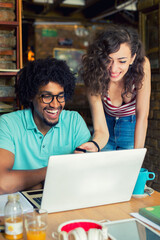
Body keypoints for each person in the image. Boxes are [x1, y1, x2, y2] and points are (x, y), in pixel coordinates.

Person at [0, 57, 91, 194]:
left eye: (60, 96)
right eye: (46, 96)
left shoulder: (74, 121)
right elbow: (2, 183)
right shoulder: (8, 124)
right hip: (21, 208)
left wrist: (32, 185)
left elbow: (88, 176)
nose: (55, 104)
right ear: (31, 96)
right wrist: (53, 170)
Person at [77, 24, 151, 152]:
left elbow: (142, 116)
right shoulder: (93, 72)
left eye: (122, 61)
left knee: (128, 169)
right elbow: (100, 130)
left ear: (132, 58)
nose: (113, 68)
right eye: (108, 60)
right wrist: (95, 145)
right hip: (106, 124)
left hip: (131, 124)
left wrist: (137, 155)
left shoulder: (142, 66)